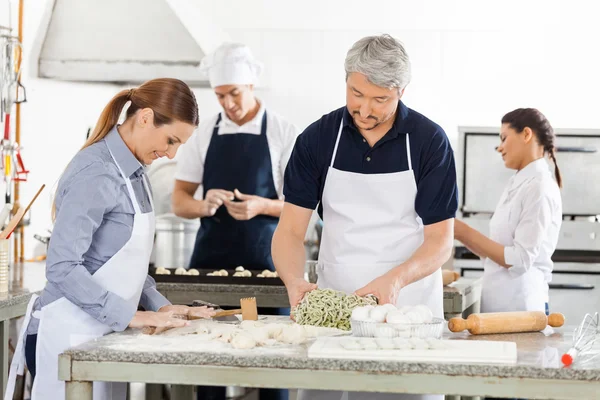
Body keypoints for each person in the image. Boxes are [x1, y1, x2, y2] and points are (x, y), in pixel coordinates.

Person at [4, 78, 216, 400]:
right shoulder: (97, 172)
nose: (171, 154)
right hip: (68, 336)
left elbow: (124, 264)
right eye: (171, 140)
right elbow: (62, 266)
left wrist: (164, 307)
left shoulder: (136, 173)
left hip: (102, 336)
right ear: (145, 118)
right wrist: (132, 315)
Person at [272, 34, 457, 400]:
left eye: (380, 99)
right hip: (332, 312)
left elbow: (440, 241)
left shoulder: (428, 141)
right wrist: (294, 281)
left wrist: (395, 280)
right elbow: (291, 231)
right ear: (346, 81)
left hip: (407, 313)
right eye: (356, 94)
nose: (366, 110)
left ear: (401, 91)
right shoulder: (318, 139)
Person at [172, 43, 298, 400]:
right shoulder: (202, 132)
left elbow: (303, 208)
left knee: (274, 365)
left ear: (251, 86)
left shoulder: (282, 132)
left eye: (234, 93)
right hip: (211, 266)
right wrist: (204, 205)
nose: (227, 103)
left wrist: (262, 206)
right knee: (210, 365)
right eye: (219, 95)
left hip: (269, 267)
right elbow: (180, 201)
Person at [454, 108, 562, 315]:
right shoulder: (518, 183)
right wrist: (458, 233)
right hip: (499, 305)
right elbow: (498, 251)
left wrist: (462, 232)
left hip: (522, 307)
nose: (500, 148)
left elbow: (520, 260)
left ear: (527, 134)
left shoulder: (539, 187)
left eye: (504, 138)